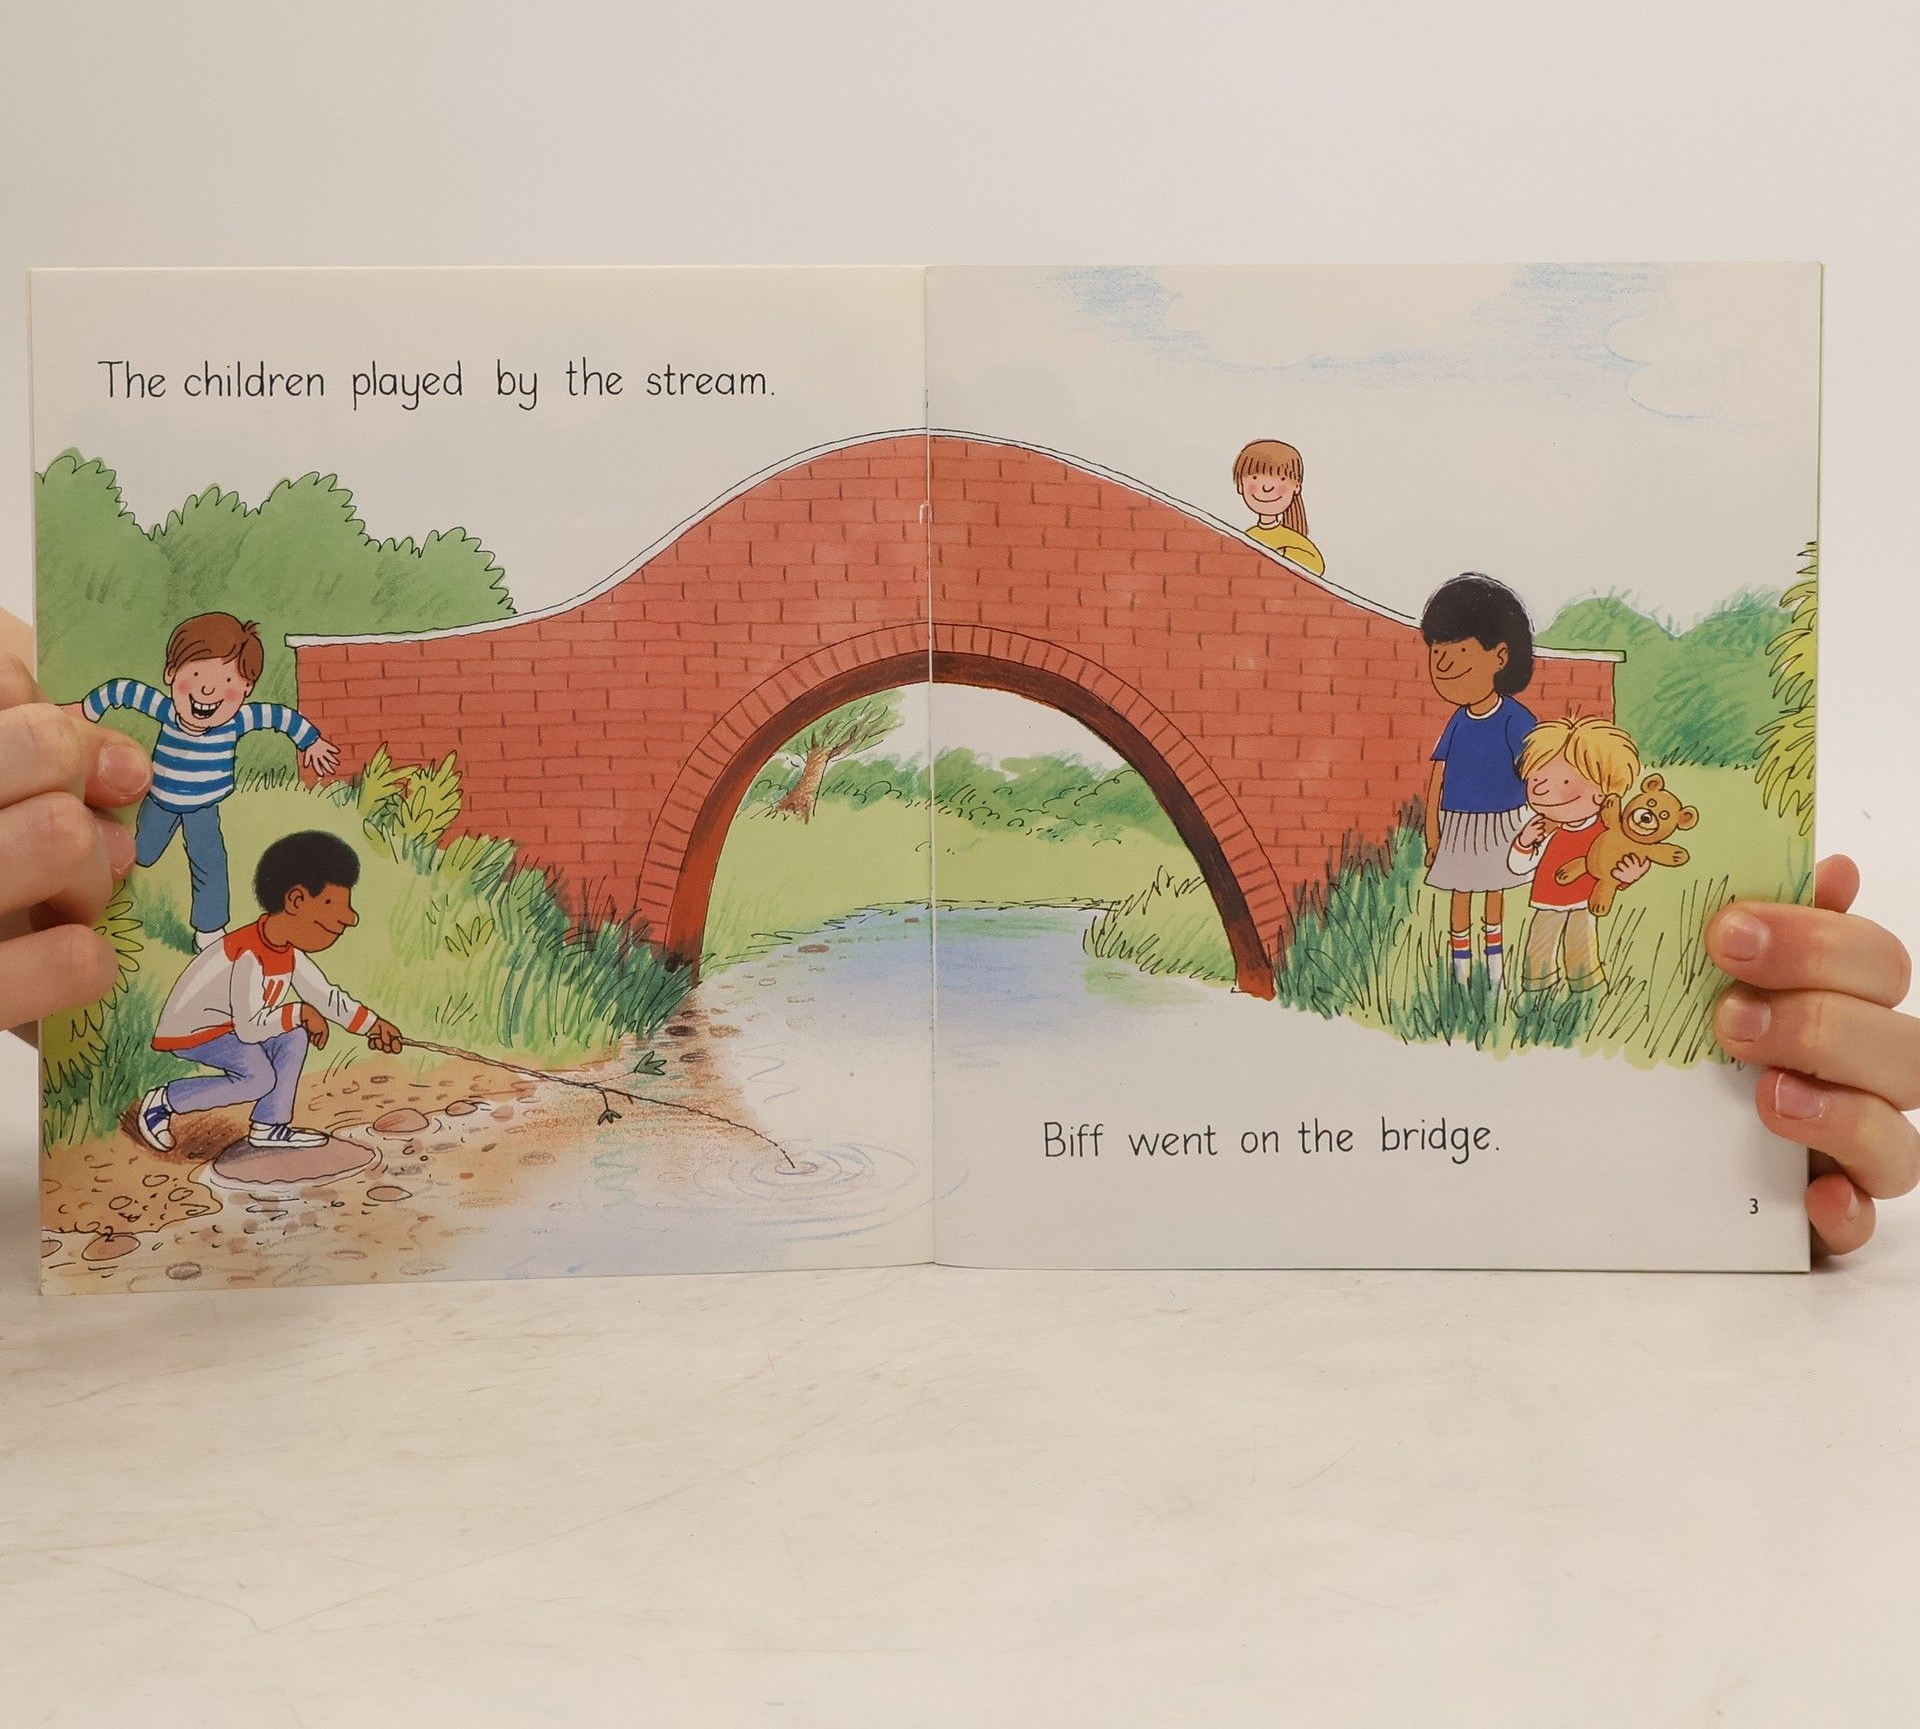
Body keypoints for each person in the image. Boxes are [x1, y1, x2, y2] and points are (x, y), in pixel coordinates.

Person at [0, 615, 1914, 1253]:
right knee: (247, 1067)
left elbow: (340, 996)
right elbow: (245, 976)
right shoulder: (222, 930)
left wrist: (1713, 1161)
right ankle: (214, 1127)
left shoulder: (1521, 745)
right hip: (197, 1048)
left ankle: (243, 1127)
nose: (334, 924)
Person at [68, 611, 340, 949]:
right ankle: (101, 885)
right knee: (143, 854)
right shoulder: (167, 710)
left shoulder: (239, 720)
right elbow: (122, 691)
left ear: (246, 688)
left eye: (227, 681)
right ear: (171, 673)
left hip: (203, 808)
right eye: (196, 674)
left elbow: (281, 717)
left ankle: (210, 932)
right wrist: (85, 710)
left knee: (210, 865)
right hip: (161, 800)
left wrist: (311, 741)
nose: (208, 690)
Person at [135, 830, 404, 1152]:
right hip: (195, 1031)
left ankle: (269, 1124)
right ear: (296, 900)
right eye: (331, 903)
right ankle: (163, 1102)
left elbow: (325, 996)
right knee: (258, 1078)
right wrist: (299, 1012)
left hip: (231, 1027)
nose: (349, 918)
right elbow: (249, 1029)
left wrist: (372, 1025)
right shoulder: (248, 954)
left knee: (294, 1036)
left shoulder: (286, 951)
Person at [1420, 574, 1539, 991]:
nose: (1442, 663)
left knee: (1493, 890)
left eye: (1458, 650)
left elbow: (1534, 769)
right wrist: (1433, 834)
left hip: (1503, 821)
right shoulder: (1458, 721)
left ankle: (1494, 971)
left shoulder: (1515, 719)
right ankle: (1460, 973)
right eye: (1437, 650)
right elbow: (1437, 778)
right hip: (1458, 823)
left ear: (1500, 656)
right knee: (1460, 890)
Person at [1506, 716, 1647, 994]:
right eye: (1537, 777)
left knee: (1581, 947)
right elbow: (1519, 867)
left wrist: (1628, 876)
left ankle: (1588, 991)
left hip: (1585, 901)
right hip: (1547, 901)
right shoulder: (1543, 827)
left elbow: (1610, 868)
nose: (1540, 788)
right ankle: (1537, 991)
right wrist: (1524, 842)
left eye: (1565, 780)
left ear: (1603, 791)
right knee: (1540, 947)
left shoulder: (1606, 830)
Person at [1233, 439, 1325, 575]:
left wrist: (1282, 556)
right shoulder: (1247, 537)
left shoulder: (1296, 542)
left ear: (1296, 487)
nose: (1267, 487)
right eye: (1255, 478)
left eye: (1282, 479)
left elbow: (1316, 568)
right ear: (1240, 485)